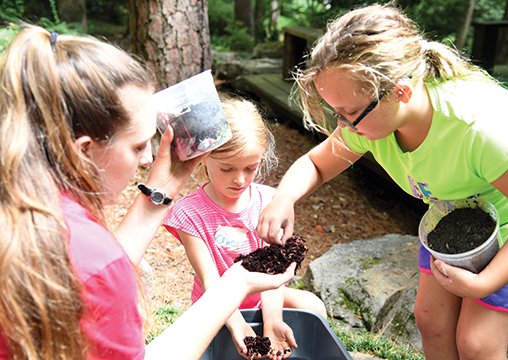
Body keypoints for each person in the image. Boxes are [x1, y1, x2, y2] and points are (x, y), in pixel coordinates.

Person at [256, 4, 508, 360]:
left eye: (348, 113)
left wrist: (486, 282)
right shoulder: (371, 119)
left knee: (477, 343)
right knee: (431, 321)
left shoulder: (481, 129)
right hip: (456, 216)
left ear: (400, 91)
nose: (343, 126)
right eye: (336, 112)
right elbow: (317, 162)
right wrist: (284, 198)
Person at [0, 25, 296, 360]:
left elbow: (97, 272)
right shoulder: (92, 259)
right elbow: (99, 273)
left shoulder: (31, 208)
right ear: (84, 150)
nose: (147, 158)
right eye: (138, 145)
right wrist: (235, 285)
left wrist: (162, 189)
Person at [163, 96, 327, 359]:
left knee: (312, 305)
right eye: (227, 168)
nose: (239, 179)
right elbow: (210, 281)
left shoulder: (270, 202)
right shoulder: (189, 213)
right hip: (218, 304)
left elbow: (273, 272)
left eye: (250, 168)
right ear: (204, 158)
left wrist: (272, 320)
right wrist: (236, 323)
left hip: (264, 297)